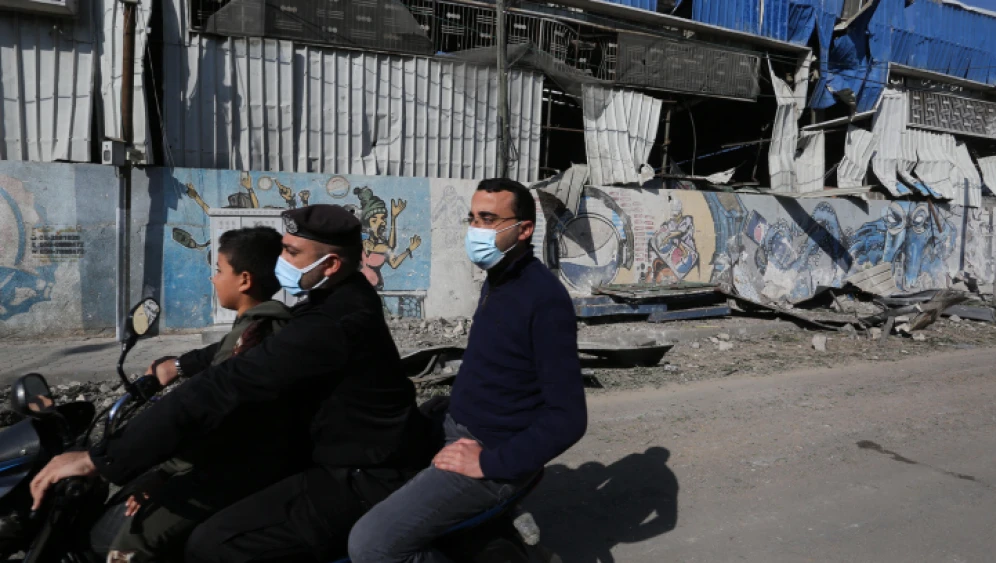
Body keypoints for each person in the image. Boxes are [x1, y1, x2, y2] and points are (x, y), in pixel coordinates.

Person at [30, 204, 430, 562]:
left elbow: (225, 385)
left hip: (361, 475)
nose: (281, 260)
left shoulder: (331, 325)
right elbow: (232, 351)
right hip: (339, 454)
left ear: (329, 265)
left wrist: (101, 459)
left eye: (291, 252)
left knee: (215, 544)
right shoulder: (339, 298)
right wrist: (177, 365)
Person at [348, 178, 588, 563]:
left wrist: (488, 463)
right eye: (472, 218)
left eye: (489, 219)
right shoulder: (499, 279)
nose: (476, 229)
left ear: (524, 229)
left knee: (371, 546)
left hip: (489, 451)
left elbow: (569, 418)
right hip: (456, 428)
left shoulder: (544, 299)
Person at [104, 226, 298, 562]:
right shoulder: (268, 326)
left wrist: (162, 472)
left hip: (235, 468)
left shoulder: (250, 338)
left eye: (220, 270)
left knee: (133, 538)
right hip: (256, 459)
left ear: (244, 280)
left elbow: (211, 422)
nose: (214, 279)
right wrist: (174, 367)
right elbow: (211, 355)